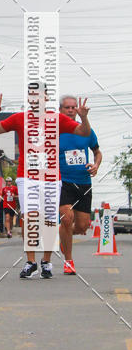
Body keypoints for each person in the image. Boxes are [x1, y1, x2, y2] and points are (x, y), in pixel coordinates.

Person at [0, 91, 90, 279]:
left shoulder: (56, 119)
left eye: (41, 96)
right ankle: (31, 261)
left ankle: (46, 262)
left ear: (46, 99)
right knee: (29, 217)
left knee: (49, 220)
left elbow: (84, 132)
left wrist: (83, 118)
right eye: (33, 95)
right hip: (27, 177)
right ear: (29, 99)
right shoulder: (19, 118)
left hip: (51, 178)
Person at [58, 94, 102, 275]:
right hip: (63, 181)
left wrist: (96, 165)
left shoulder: (86, 130)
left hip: (83, 181)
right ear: (60, 110)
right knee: (67, 218)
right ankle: (68, 261)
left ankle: (63, 235)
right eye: (67, 107)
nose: (70, 110)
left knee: (83, 226)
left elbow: (97, 152)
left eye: (73, 107)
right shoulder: (55, 131)